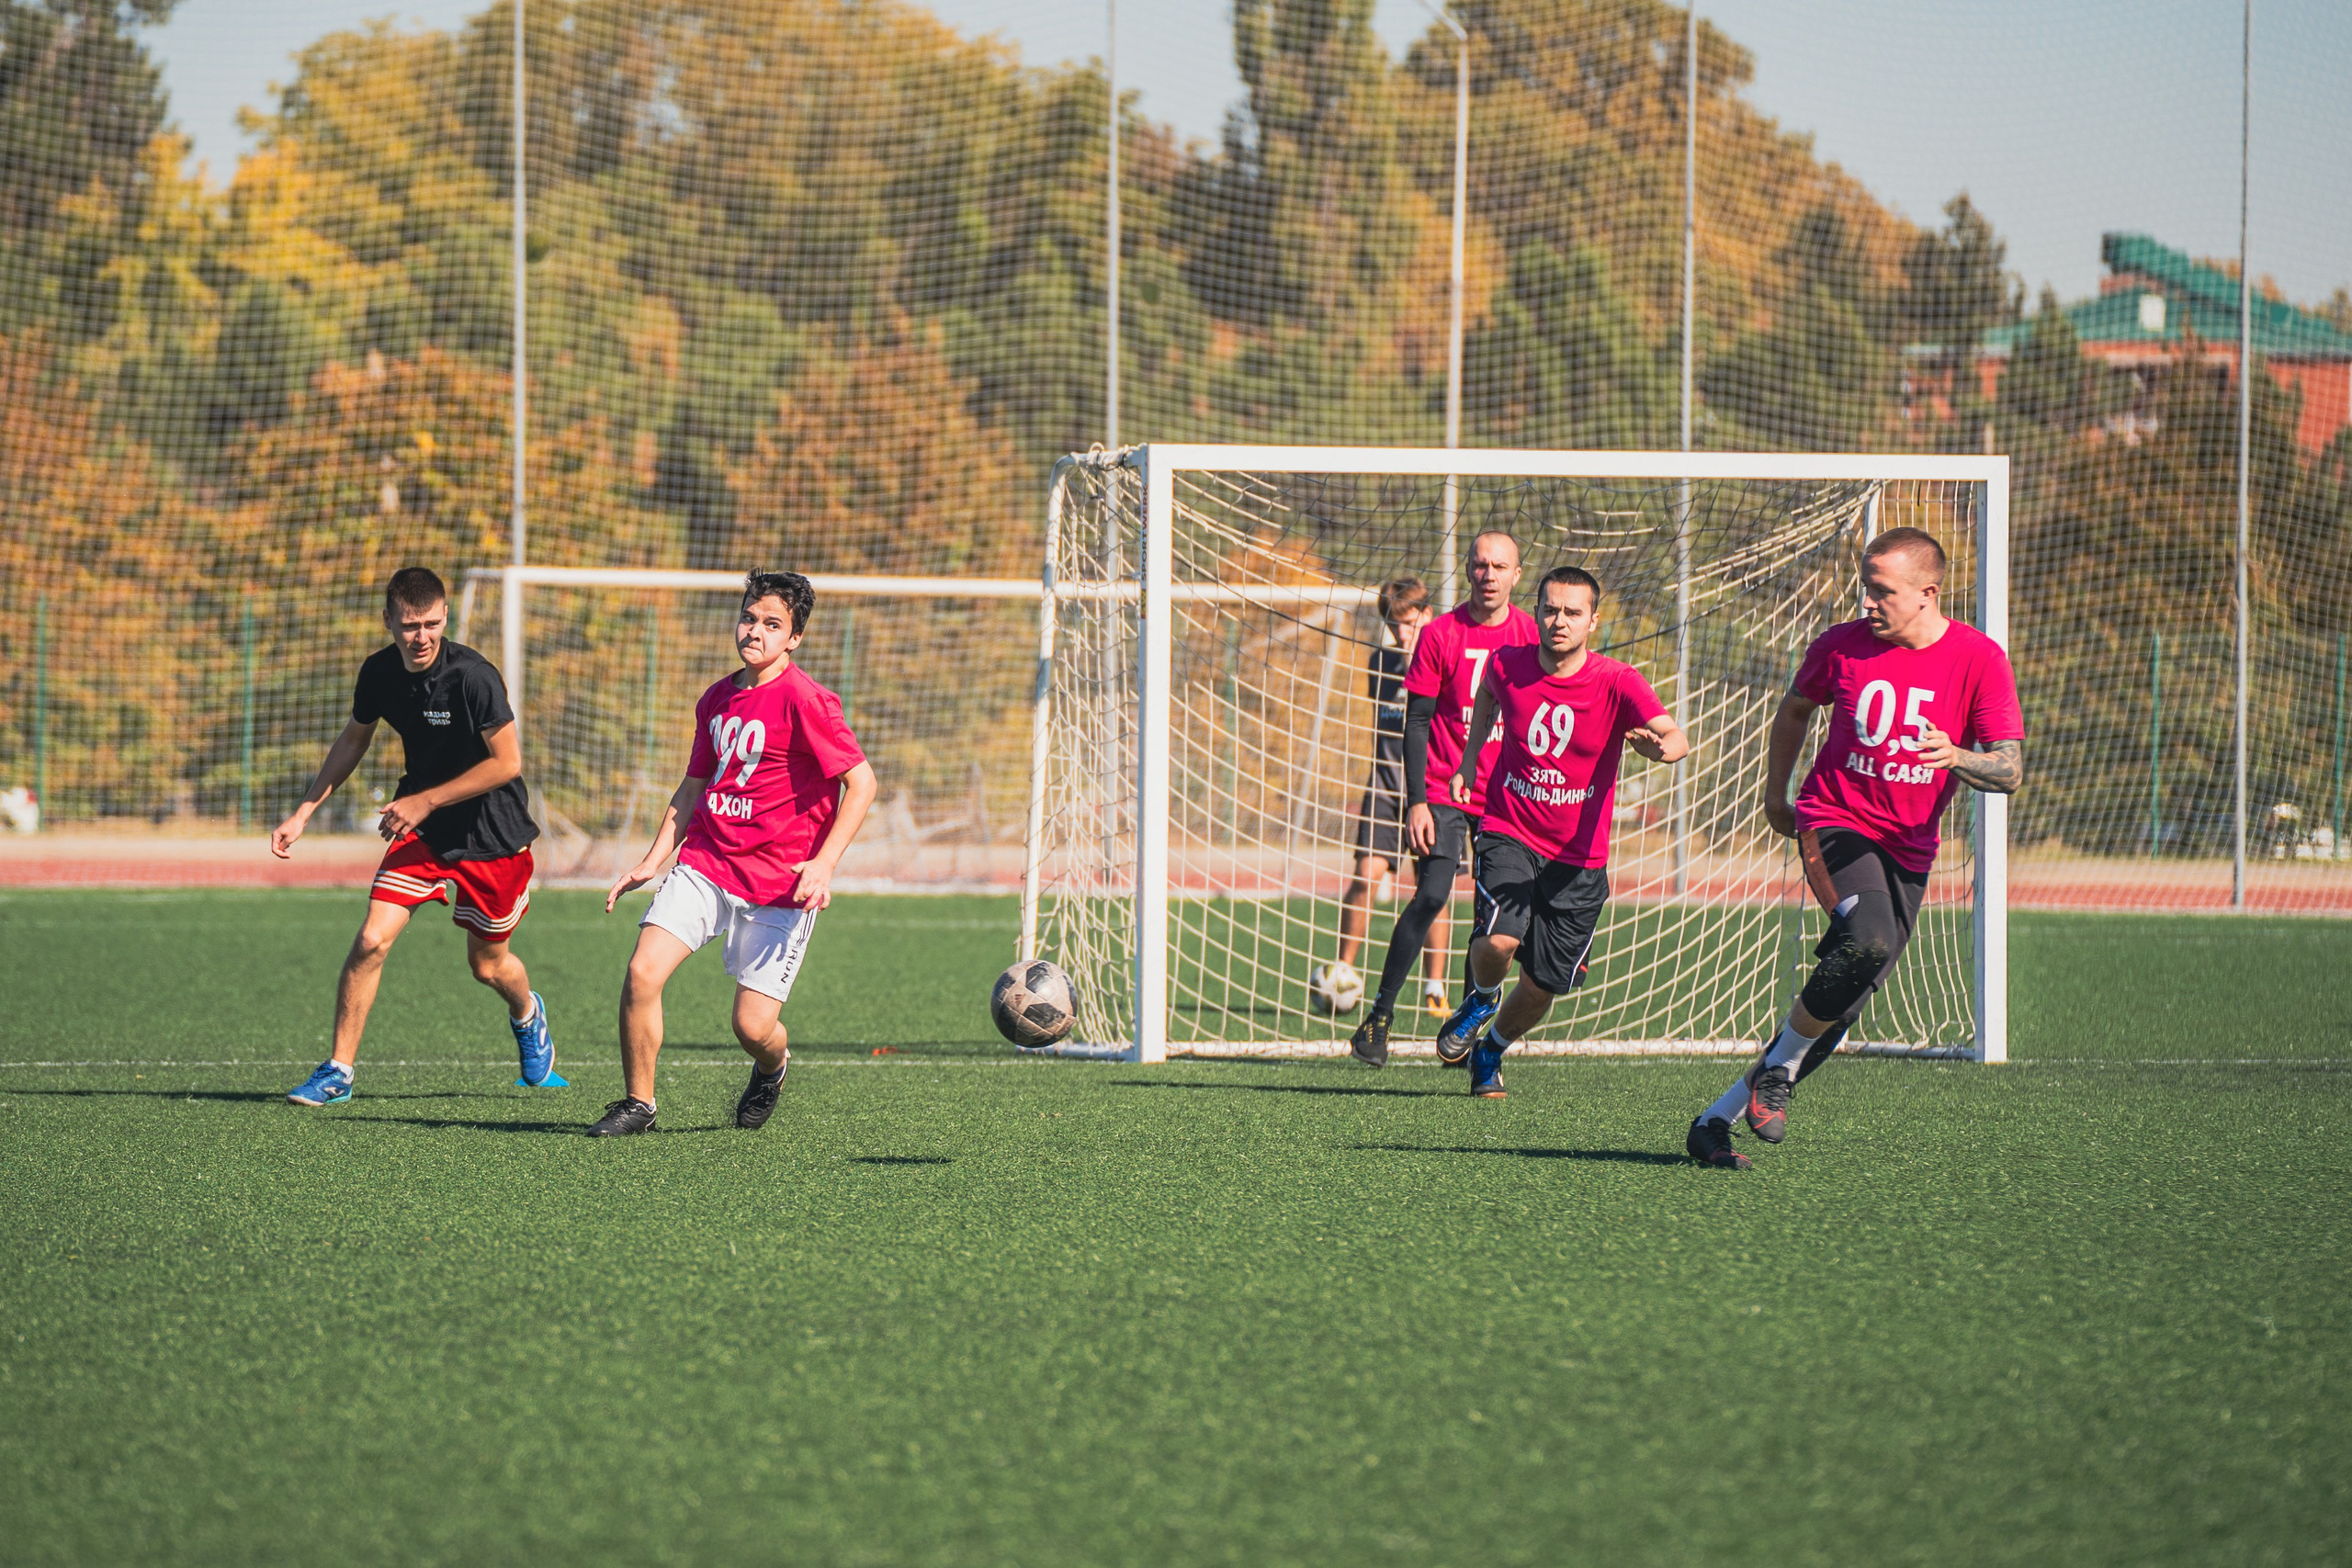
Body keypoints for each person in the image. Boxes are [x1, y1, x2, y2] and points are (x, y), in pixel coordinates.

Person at [1685, 526, 2024, 1169]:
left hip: (1911, 847)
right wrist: (1774, 796)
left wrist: (1956, 755)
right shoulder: (1840, 645)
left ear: (1928, 592)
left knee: (1849, 992)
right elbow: (1793, 712)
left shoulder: (1980, 659)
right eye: (1865, 587)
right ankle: (1776, 1076)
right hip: (1833, 819)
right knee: (1863, 943)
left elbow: (2009, 770)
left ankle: (1714, 1121)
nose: (1867, 602)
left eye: (1882, 591)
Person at [590, 570, 879, 1137]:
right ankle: (638, 1105)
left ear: (794, 639)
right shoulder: (717, 698)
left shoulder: (807, 700)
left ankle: (773, 1067)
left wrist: (823, 865)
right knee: (642, 973)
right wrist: (655, 859)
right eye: (750, 617)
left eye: (773, 624)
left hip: (780, 885)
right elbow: (694, 785)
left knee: (752, 1026)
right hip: (706, 864)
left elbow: (863, 784)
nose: (756, 631)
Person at [272, 567, 558, 1105]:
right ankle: (338, 1072)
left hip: (492, 836)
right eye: (409, 626)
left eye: (430, 623)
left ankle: (527, 1012)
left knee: (488, 964)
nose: (420, 636)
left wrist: (425, 798)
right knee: (371, 941)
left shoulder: (475, 676)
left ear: (445, 617)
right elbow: (354, 740)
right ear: (388, 622)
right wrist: (304, 811)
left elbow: (508, 763)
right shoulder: (378, 673)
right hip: (422, 832)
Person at [1434, 567, 1689, 1096]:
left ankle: (1492, 1049)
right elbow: (1486, 699)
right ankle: (1480, 998)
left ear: (1593, 620)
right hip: (1510, 827)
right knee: (1500, 939)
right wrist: (1467, 762)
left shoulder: (1619, 680)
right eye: (1550, 609)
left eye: (1573, 613)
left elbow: (1675, 737)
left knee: (1545, 984)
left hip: (1579, 859)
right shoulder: (1508, 664)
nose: (1559, 621)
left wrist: (1656, 748)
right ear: (1537, 611)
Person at [1346, 530, 1535, 1067]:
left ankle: (1469, 1013)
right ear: (1468, 570)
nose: (1489, 575)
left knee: (1495, 915)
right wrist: (1416, 802)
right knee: (1431, 892)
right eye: (1480, 565)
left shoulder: (1529, 633)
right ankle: (1380, 1016)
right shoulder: (1440, 633)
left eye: (1500, 567)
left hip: (1508, 793)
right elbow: (1419, 719)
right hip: (1445, 788)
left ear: (1516, 576)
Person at [1324, 576, 1451, 1020]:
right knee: (1364, 878)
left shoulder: (1444, 662)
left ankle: (1435, 986)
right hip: (1384, 789)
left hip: (1431, 792)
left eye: (1409, 624)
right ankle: (1343, 969)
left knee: (1432, 892)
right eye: (1394, 626)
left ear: (1427, 617)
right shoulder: (1380, 665)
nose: (1401, 634)